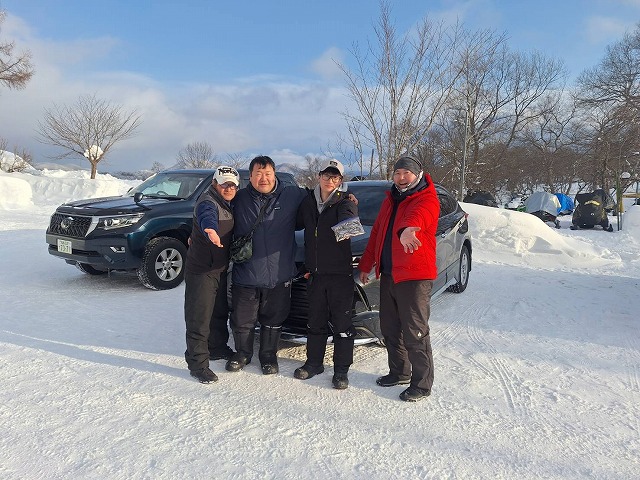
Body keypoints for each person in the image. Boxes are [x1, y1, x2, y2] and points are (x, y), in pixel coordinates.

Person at [358, 155, 440, 402]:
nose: (402, 178)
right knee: (390, 327)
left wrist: (406, 230)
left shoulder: (426, 198)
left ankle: (422, 384)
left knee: (415, 330)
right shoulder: (390, 200)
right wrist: (366, 264)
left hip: (415, 276)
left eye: (407, 173)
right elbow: (377, 235)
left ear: (418, 174)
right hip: (390, 273)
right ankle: (399, 372)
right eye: (397, 173)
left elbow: (416, 217)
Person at [225, 155, 307, 375]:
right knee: (242, 319)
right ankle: (242, 353)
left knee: (274, 318)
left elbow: (320, 197)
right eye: (258, 174)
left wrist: (346, 197)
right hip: (246, 273)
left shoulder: (291, 195)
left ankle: (268, 355)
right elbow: (213, 206)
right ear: (250, 176)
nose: (263, 179)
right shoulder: (238, 198)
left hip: (279, 274)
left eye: (267, 173)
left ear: (274, 174)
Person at [294, 159, 358, 390]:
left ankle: (341, 370)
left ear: (340, 181)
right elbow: (296, 223)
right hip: (316, 274)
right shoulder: (308, 202)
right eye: (326, 175)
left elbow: (350, 227)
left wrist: (349, 217)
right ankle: (314, 363)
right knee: (315, 322)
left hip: (340, 275)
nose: (330, 180)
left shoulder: (344, 202)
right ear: (319, 176)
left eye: (335, 177)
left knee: (342, 324)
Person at [183, 166, 240, 383]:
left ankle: (216, 347)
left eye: (232, 185)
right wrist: (210, 230)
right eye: (224, 184)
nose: (229, 188)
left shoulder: (228, 202)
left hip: (219, 268)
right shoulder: (208, 201)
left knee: (218, 312)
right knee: (199, 317)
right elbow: (207, 216)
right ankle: (197, 364)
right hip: (202, 270)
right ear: (215, 184)